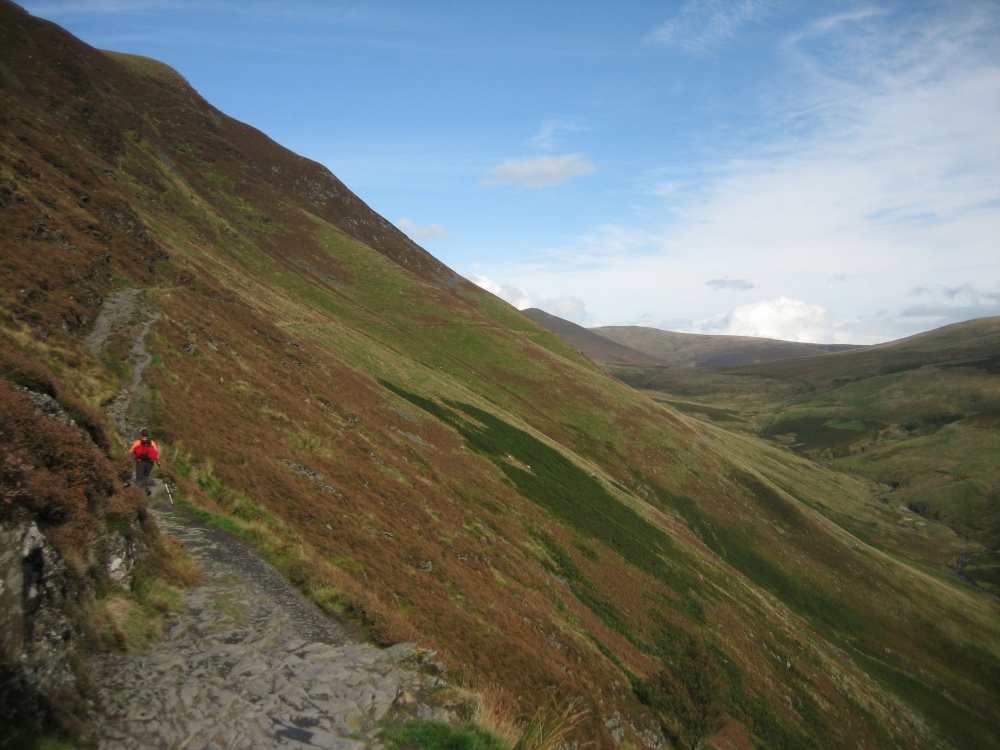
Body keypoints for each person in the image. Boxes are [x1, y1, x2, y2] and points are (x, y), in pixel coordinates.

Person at [129, 427, 160, 496]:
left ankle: (138, 493)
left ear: (141, 434)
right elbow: (156, 452)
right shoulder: (152, 442)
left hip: (140, 462)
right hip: (150, 462)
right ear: (148, 435)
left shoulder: (138, 442)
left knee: (139, 478)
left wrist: (126, 449)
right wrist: (158, 461)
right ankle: (147, 488)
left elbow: (131, 451)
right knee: (146, 475)